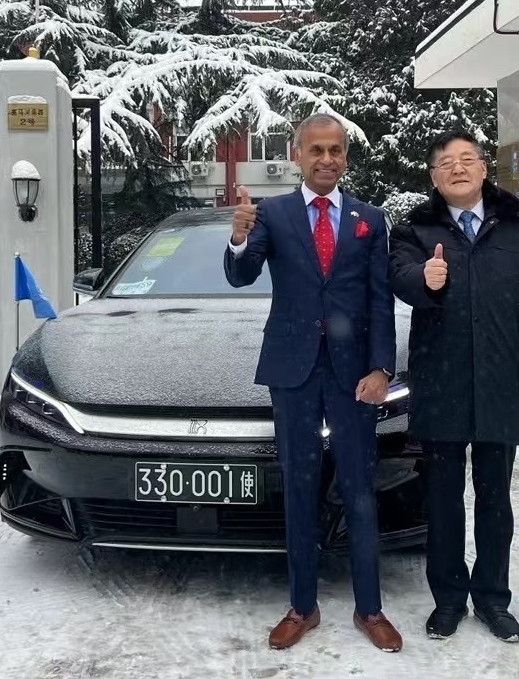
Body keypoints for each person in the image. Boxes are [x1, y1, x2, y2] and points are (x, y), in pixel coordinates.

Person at [224, 112, 401, 653]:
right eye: (316, 150)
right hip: (293, 371)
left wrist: (381, 368)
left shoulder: (370, 219)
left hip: (354, 375)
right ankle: (303, 606)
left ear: (345, 157)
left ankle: (369, 608)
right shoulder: (272, 214)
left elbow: (379, 300)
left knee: (359, 488)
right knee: (299, 487)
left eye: (335, 150)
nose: (326, 159)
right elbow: (241, 275)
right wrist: (239, 237)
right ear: (297, 156)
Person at [388, 129, 519, 643]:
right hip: (440, 378)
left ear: (484, 168)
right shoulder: (415, 228)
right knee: (442, 498)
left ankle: (492, 598)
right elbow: (397, 276)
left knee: (495, 497)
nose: (457, 168)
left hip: (501, 379)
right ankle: (448, 600)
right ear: (434, 177)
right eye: (446, 163)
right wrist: (425, 278)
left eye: (467, 159)